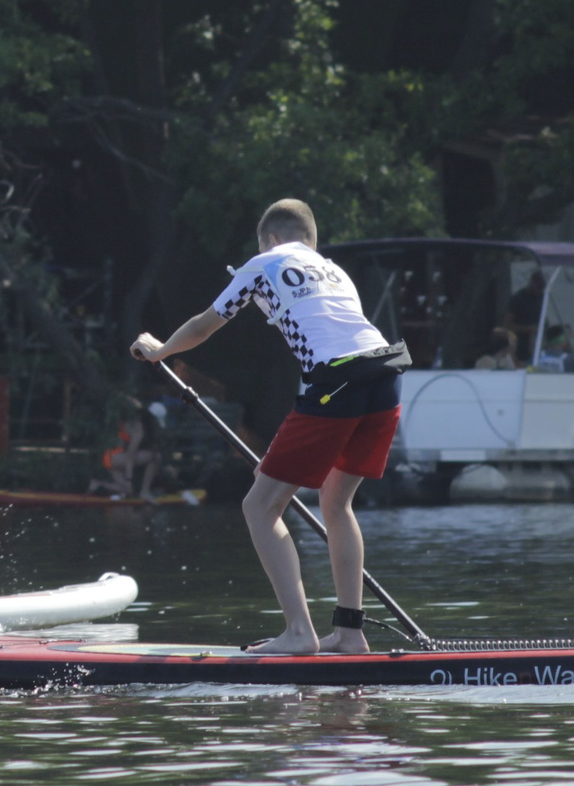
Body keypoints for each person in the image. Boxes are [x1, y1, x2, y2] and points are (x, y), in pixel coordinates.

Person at [132, 197, 409, 655]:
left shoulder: (264, 263)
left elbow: (204, 326)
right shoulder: (335, 271)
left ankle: (300, 633)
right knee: (337, 504)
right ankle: (349, 632)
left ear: (272, 239)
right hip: (387, 374)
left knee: (260, 506)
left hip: (337, 380)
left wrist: (160, 350)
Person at [506, 269, 550, 361]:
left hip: (537, 344)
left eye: (542, 288)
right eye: (539, 287)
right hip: (520, 345)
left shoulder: (541, 298)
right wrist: (528, 329)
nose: (540, 290)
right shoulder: (517, 299)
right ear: (532, 282)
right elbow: (508, 325)